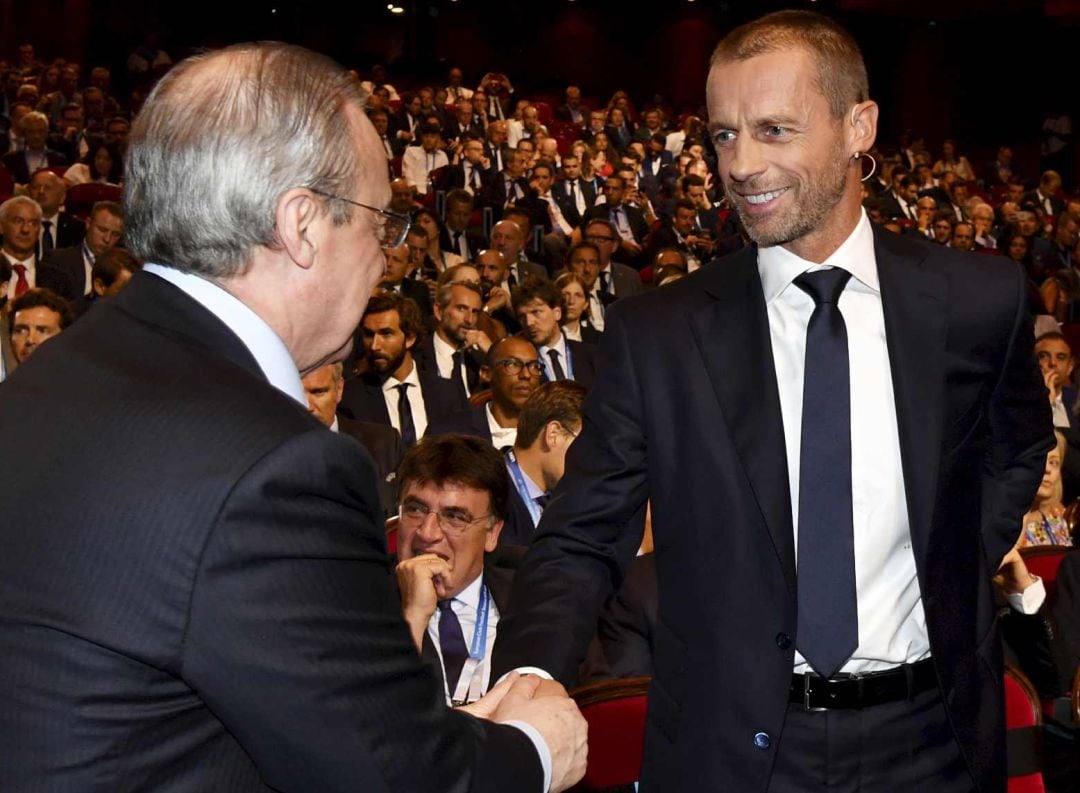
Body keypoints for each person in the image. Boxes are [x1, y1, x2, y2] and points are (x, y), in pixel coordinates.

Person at [0, 42, 587, 793]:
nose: (387, 253)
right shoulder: (276, 467)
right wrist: (533, 750)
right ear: (303, 224)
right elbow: (390, 775)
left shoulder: (61, 371)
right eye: (382, 218)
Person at [492, 11, 1052, 792]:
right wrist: (532, 670)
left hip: (935, 738)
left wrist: (956, 555)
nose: (742, 164)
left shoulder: (977, 300)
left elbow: (1021, 444)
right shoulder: (659, 332)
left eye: (775, 130)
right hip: (731, 748)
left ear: (859, 125)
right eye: (724, 135)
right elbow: (583, 534)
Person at [394, 434, 515, 705]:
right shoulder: (356, 600)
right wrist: (412, 615)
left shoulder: (531, 599)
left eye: (455, 517)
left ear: (492, 533)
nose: (427, 533)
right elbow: (367, 715)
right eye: (415, 509)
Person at [1019, 433, 1072, 547]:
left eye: (1054, 463)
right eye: (1040, 460)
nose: (1048, 469)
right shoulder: (1002, 523)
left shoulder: (1059, 515)